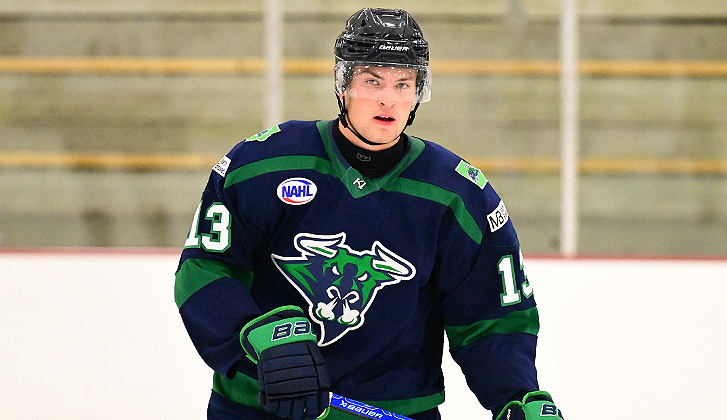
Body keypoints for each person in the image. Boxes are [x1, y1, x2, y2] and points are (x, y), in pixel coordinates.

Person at [174, 8, 561, 420]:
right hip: (261, 408)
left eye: (403, 84)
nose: (387, 99)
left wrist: (517, 398)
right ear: (343, 85)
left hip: (392, 409)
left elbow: (491, 318)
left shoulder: (458, 195)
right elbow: (204, 269)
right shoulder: (263, 164)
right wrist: (257, 336)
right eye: (372, 81)